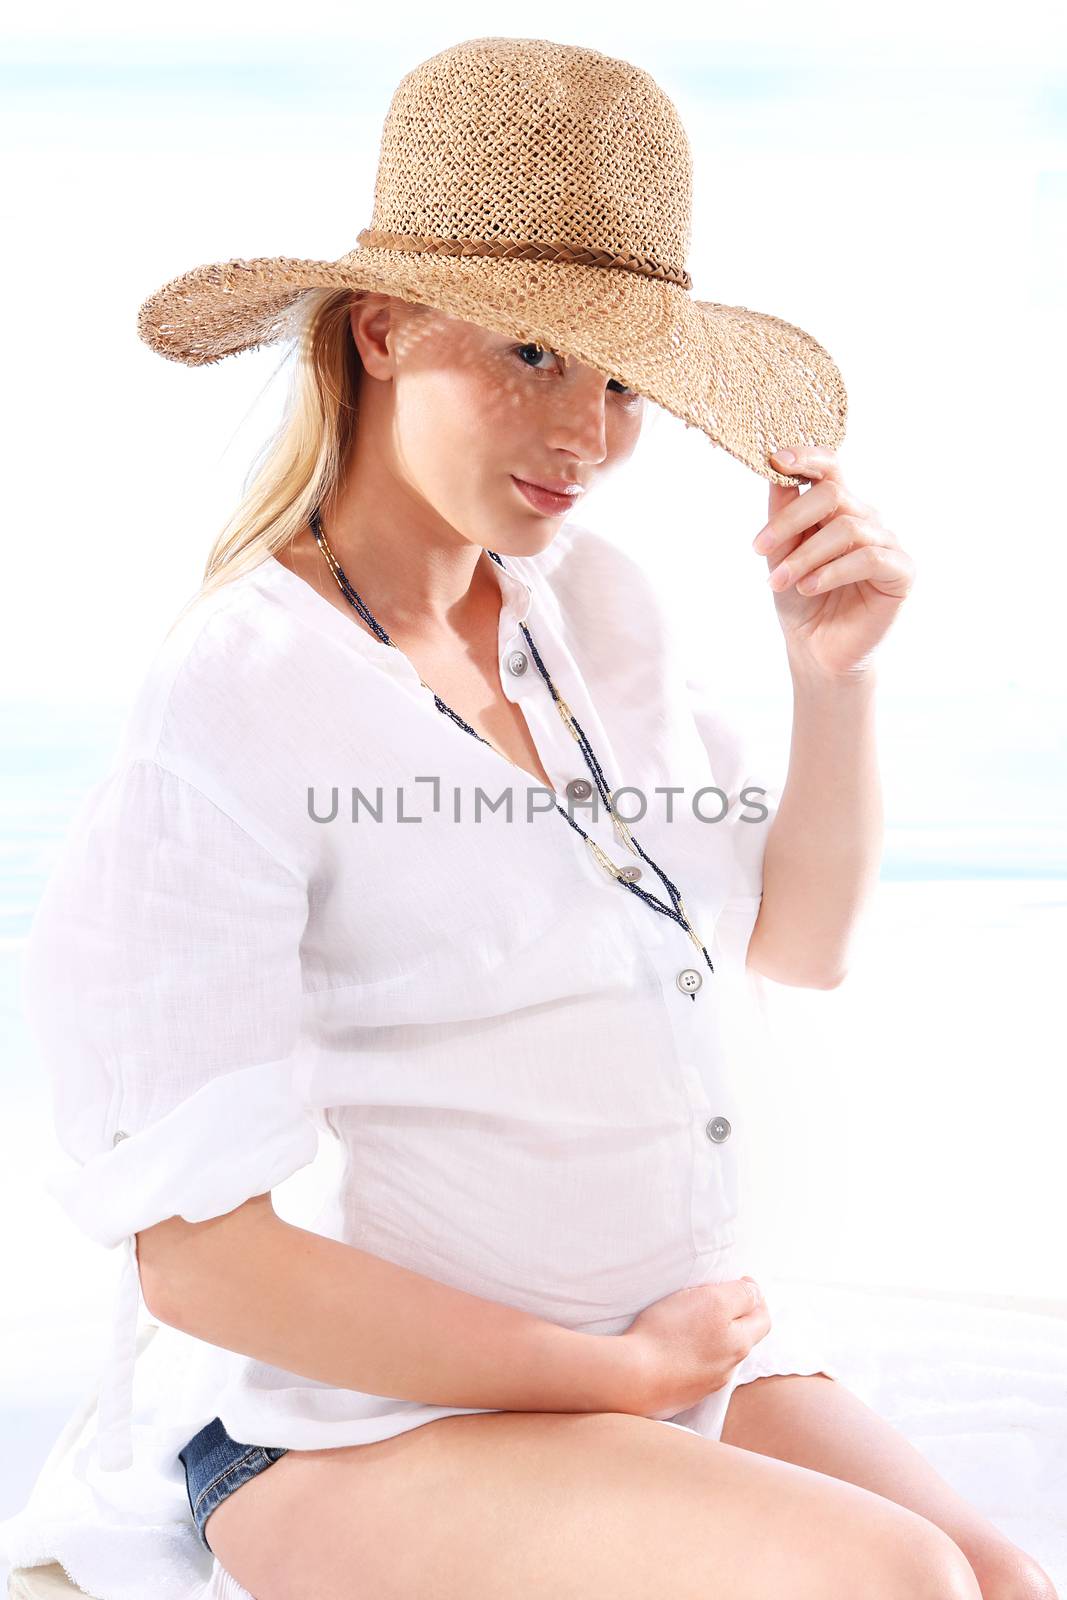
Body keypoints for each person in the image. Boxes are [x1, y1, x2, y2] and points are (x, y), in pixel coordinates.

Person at [3, 33, 1055, 1600]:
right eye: (533, 355)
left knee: (999, 1582)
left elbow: (802, 946)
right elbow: (199, 1257)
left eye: (623, 378)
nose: (587, 434)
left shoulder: (590, 612)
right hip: (361, 1423)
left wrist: (831, 682)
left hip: (659, 1345)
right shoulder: (240, 692)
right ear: (380, 332)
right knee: (890, 1580)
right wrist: (611, 1378)